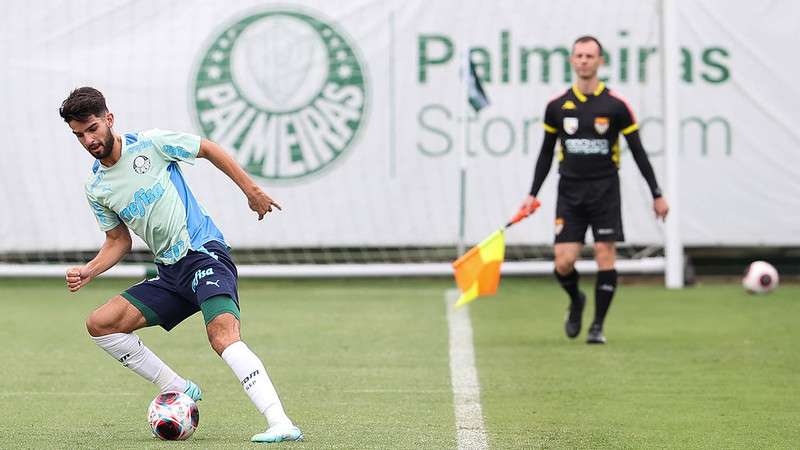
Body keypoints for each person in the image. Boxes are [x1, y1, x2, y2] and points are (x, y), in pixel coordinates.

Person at [59, 86, 303, 443]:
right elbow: (118, 241)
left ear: (109, 119)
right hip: (170, 274)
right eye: (79, 135)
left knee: (222, 336)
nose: (88, 140)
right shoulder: (97, 187)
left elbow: (207, 148)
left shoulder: (151, 145)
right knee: (101, 324)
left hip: (204, 254)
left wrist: (250, 190)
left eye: (93, 128)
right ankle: (175, 385)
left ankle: (280, 422)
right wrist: (89, 270)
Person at [516, 36, 669, 344]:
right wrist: (532, 194)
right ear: (572, 61)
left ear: (601, 62)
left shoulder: (616, 106)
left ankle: (597, 326)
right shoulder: (557, 107)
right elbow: (546, 153)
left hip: (605, 191)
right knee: (563, 261)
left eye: (590, 56)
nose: (584, 61)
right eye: (579, 56)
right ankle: (576, 300)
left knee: (604, 254)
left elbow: (638, 152)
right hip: (569, 192)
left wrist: (657, 193)